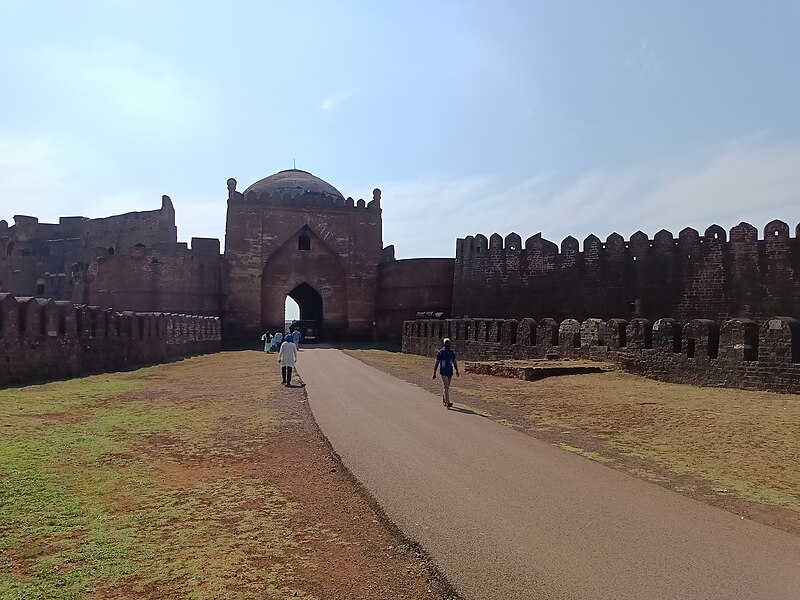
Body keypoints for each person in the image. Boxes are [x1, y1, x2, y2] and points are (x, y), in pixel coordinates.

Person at [433, 337, 459, 408]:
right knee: (446, 386)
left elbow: (454, 362)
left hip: (450, 372)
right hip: (443, 372)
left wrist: (457, 370)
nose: (447, 344)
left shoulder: (452, 352)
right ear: (444, 344)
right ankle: (448, 403)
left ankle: (444, 400)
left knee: (446, 387)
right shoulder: (440, 352)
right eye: (446, 343)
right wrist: (434, 372)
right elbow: (437, 362)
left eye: (448, 342)